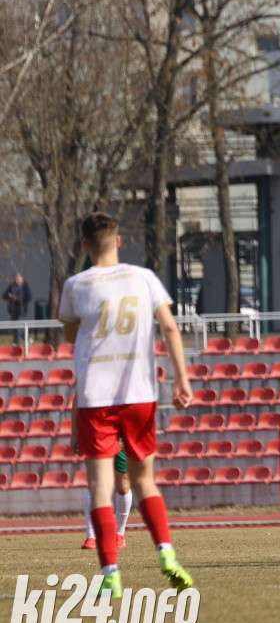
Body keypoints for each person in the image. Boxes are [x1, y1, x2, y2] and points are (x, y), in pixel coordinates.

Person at [59, 212, 194, 597]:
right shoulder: (144, 277)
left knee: (101, 488)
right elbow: (169, 327)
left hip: (96, 399)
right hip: (140, 396)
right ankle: (166, 553)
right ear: (119, 241)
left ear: (84, 245)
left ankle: (110, 572)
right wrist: (182, 379)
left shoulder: (75, 284)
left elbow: (71, 333)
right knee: (143, 480)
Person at [82, 440, 132, 550]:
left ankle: (119, 533)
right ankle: (91, 536)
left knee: (123, 487)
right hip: (97, 436)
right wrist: (75, 435)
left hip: (122, 437)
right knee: (96, 481)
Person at [4, 272, 31, 345]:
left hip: (21, 310)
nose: (17, 279)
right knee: (16, 326)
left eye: (19, 278)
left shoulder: (25, 287)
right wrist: (8, 295)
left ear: (22, 279)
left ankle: (16, 343)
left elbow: (28, 297)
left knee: (18, 326)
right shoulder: (11, 286)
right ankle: (27, 339)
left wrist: (18, 298)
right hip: (12, 310)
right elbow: (4, 295)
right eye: (16, 278)